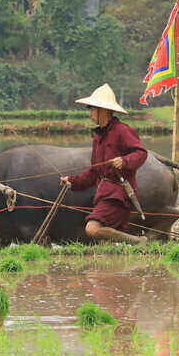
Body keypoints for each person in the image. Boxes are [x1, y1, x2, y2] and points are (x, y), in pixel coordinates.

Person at [60, 84, 149, 245]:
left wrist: (124, 161)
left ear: (104, 110)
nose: (90, 113)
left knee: (92, 229)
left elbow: (141, 153)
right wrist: (71, 181)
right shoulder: (98, 137)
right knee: (103, 242)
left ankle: (138, 242)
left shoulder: (122, 130)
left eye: (92, 109)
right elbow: (94, 173)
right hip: (104, 194)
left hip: (119, 194)